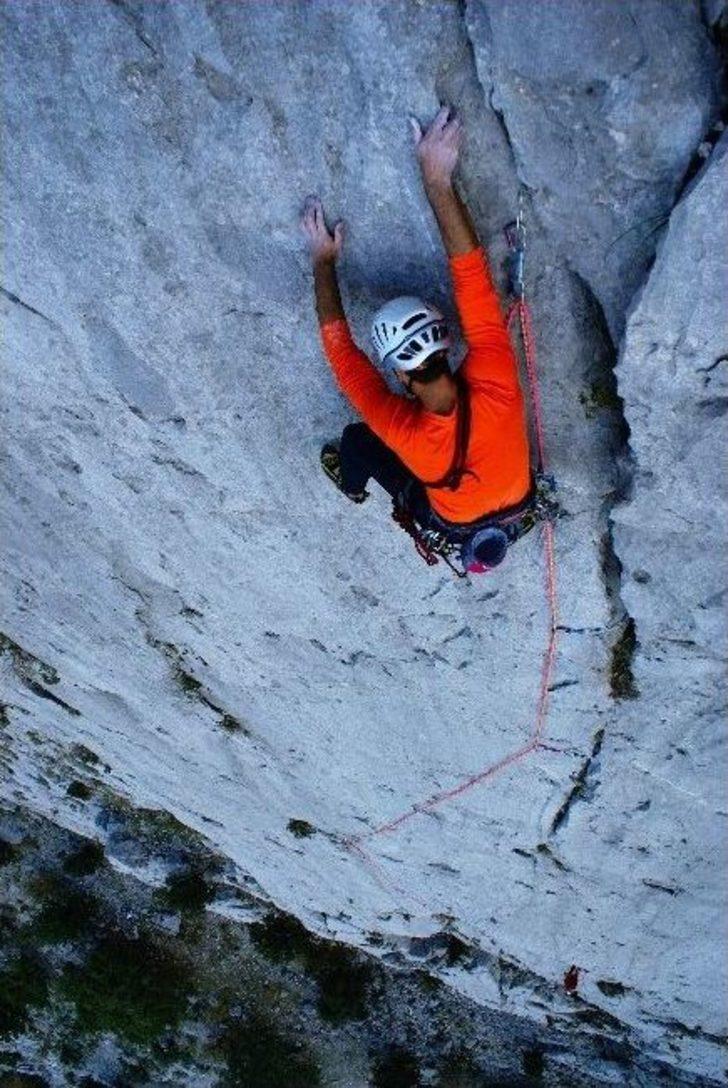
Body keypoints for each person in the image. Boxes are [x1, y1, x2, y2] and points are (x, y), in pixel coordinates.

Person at [300, 105, 532, 571]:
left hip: (480, 514)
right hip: (509, 506)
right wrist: (437, 180)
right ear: (446, 342)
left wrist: (324, 259)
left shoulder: (405, 431)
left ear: (401, 376)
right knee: (377, 445)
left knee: (358, 442)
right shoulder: (495, 373)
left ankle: (351, 484)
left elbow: (344, 360)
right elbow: (471, 276)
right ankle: (355, 482)